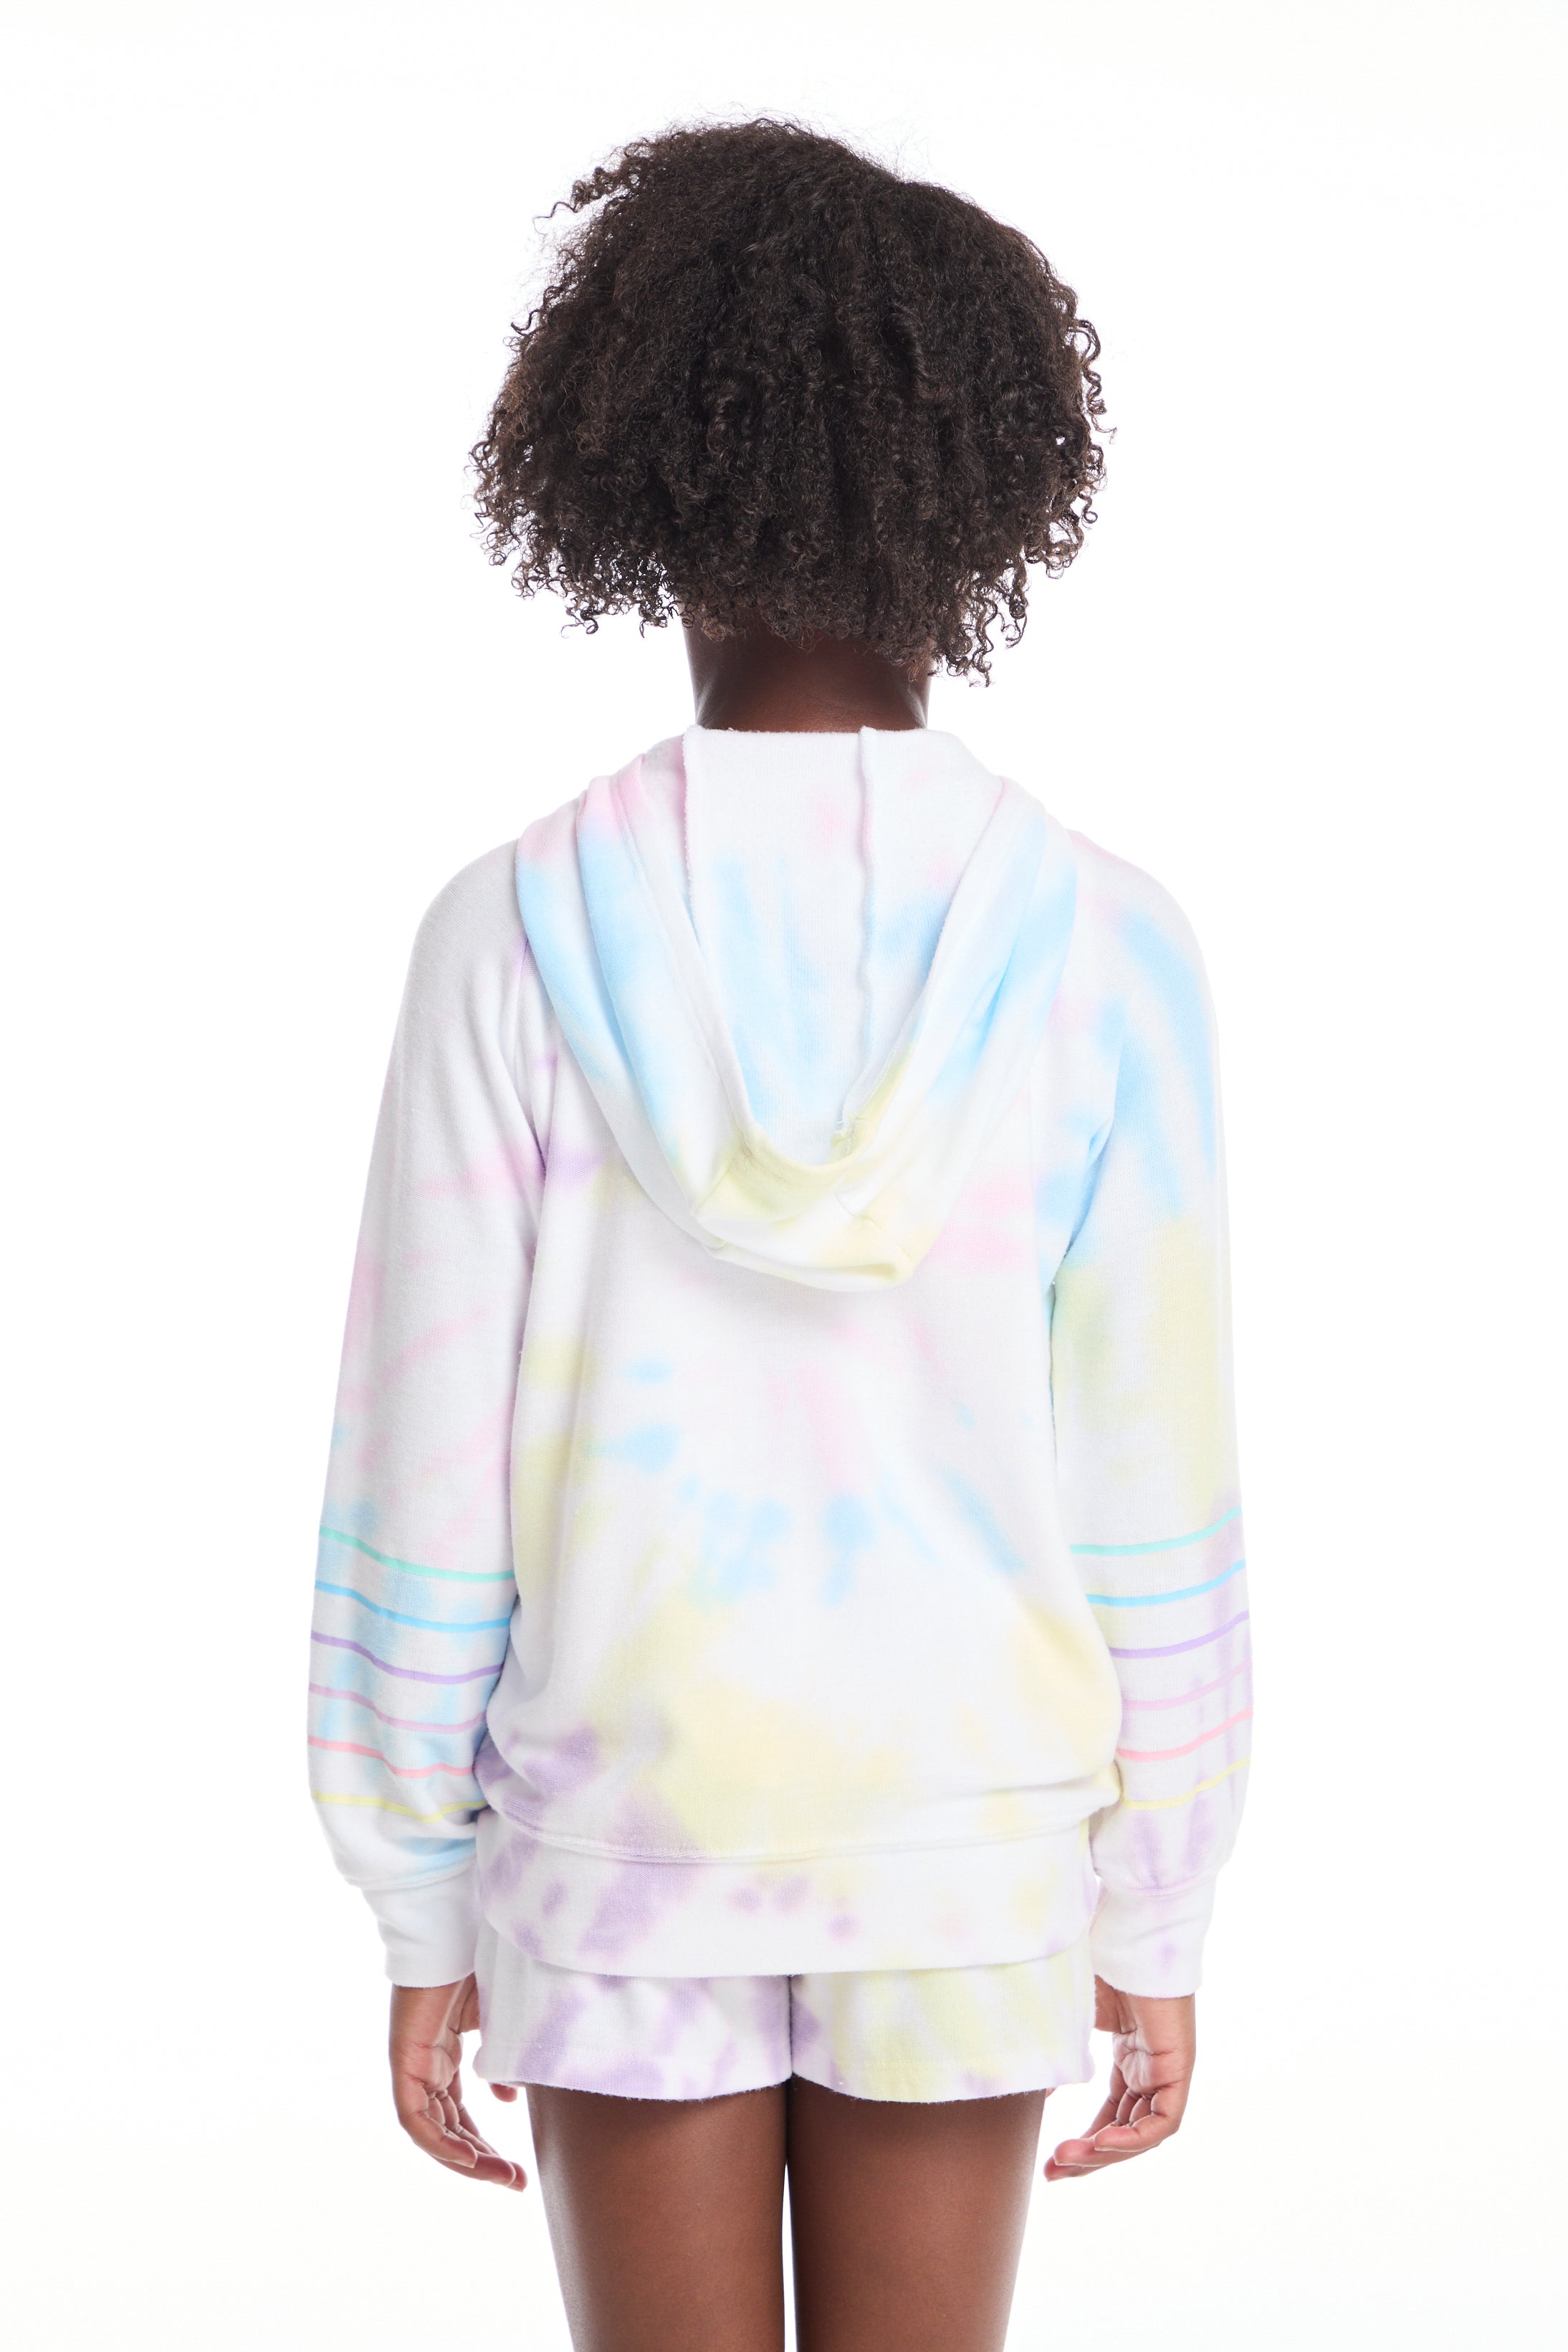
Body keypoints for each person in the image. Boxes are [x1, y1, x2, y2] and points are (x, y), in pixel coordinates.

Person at [307, 118, 1251, 2352]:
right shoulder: (1106, 942)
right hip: (968, 1833)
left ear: (634, 479)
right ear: (976, 498)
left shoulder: (507, 931)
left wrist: (417, 1886)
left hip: (620, 1824)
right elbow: (1152, 1474)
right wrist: (1157, 1894)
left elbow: (422, 1465)